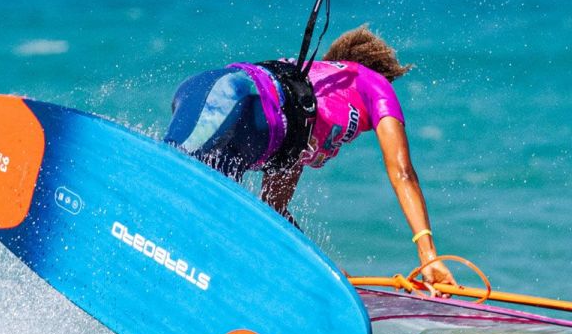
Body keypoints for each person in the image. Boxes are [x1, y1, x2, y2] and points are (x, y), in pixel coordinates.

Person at [163, 22, 456, 290]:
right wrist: (429, 256)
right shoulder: (372, 82)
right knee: (168, 179)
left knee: (202, 223)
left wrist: (325, 271)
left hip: (214, 101)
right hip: (229, 96)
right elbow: (403, 173)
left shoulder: (304, 119)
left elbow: (273, 210)